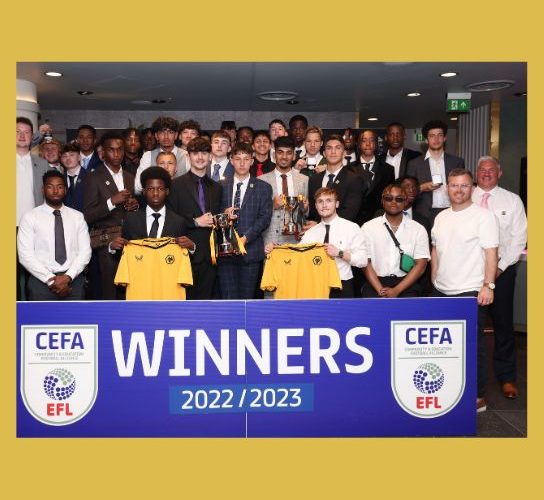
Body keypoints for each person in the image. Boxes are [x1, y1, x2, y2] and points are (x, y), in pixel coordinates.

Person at [431, 168, 499, 413]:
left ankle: (478, 395)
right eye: (453, 185)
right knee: (446, 347)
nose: (458, 190)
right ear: (447, 188)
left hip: (470, 291)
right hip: (442, 291)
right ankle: (451, 389)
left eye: (464, 185)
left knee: (474, 346)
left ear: (472, 188)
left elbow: (491, 252)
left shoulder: (483, 217)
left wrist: (488, 286)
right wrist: (434, 280)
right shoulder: (441, 217)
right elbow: (436, 251)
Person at [472, 156, 527, 399]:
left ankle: (507, 378)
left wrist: (499, 269)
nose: (486, 174)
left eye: (491, 170)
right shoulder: (465, 196)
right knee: (472, 325)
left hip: (502, 272)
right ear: (476, 173)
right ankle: (470, 375)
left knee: (503, 324)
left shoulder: (512, 201)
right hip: (470, 273)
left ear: (500, 173)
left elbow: (518, 240)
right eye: (482, 170)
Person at [17, 170, 91, 300]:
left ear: (65, 190)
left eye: (60, 187)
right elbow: (25, 255)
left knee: (75, 320)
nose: (55, 191)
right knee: (41, 320)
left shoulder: (77, 217)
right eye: (50, 187)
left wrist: (67, 277)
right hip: (41, 283)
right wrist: (50, 280)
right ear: (43, 189)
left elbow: (85, 252)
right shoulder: (29, 217)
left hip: (73, 282)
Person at [83, 132, 138, 300]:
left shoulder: (130, 176)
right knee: (109, 291)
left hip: (130, 241)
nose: (116, 154)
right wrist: (111, 202)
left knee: (131, 289)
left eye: (120, 150)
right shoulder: (93, 177)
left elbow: (132, 209)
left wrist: (134, 206)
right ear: (102, 152)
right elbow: (88, 215)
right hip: (107, 243)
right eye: (111, 150)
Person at [167, 137, 222, 300]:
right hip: (183, 253)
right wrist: (196, 222)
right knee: (183, 304)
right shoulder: (175, 185)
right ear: (188, 156)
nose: (200, 157)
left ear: (210, 157)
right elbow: (170, 219)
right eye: (195, 153)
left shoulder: (217, 188)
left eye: (204, 153)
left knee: (206, 305)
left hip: (209, 256)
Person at [219, 142, 272, 299]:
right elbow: (213, 215)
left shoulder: (263, 187)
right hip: (225, 252)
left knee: (247, 300)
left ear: (252, 161)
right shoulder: (220, 186)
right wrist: (223, 214)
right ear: (231, 160)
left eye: (246, 159)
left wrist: (244, 238)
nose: (242, 163)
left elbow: (264, 218)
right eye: (238, 159)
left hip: (250, 252)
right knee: (228, 299)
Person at [361, 184, 429, 297]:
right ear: (382, 200)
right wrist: (380, 290)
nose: (393, 202)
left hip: (407, 285)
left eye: (399, 199)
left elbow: (421, 266)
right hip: (375, 284)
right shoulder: (367, 228)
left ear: (405, 202)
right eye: (388, 198)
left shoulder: (418, 229)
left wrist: (397, 290)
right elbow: (365, 263)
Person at [301, 187, 367, 298]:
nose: (324, 205)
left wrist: (339, 253)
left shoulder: (351, 228)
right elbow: (297, 256)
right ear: (316, 206)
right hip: (315, 285)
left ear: (337, 204)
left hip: (342, 285)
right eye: (320, 201)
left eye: (329, 200)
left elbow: (363, 261)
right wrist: (275, 248)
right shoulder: (310, 233)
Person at [406, 119, 465, 225]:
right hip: (424, 215)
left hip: (451, 212)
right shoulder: (414, 164)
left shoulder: (457, 162)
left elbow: (464, 188)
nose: (436, 139)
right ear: (426, 140)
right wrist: (423, 187)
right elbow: (406, 193)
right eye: (432, 136)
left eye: (440, 135)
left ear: (445, 138)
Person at [260, 136, 308, 250]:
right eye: (280, 152)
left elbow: (305, 214)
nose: (284, 157)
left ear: (294, 156)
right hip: (270, 242)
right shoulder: (261, 180)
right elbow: (256, 214)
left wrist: (305, 209)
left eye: (289, 153)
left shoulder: (304, 180)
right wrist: (272, 206)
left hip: (296, 241)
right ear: (273, 155)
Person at [307, 134, 363, 223]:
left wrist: (320, 225)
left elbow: (349, 213)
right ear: (324, 153)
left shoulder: (354, 179)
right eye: (329, 148)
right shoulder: (314, 180)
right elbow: (313, 211)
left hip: (342, 233)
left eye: (337, 148)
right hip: (317, 234)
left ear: (344, 153)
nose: (333, 152)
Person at [350, 129, 394, 224]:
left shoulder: (388, 169)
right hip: (354, 221)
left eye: (371, 140)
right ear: (358, 144)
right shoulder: (348, 169)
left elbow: (390, 198)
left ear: (376, 143)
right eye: (364, 140)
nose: (368, 143)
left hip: (379, 220)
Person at [135, 116, 185, 194]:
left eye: (170, 132)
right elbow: (137, 187)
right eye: (162, 132)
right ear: (156, 136)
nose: (166, 136)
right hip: (154, 203)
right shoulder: (148, 156)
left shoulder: (186, 156)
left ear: (176, 135)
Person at [60, 143, 87, 213]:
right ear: (61, 160)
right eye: (64, 156)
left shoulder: (90, 177)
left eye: (72, 155)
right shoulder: (60, 179)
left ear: (79, 157)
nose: (68, 158)